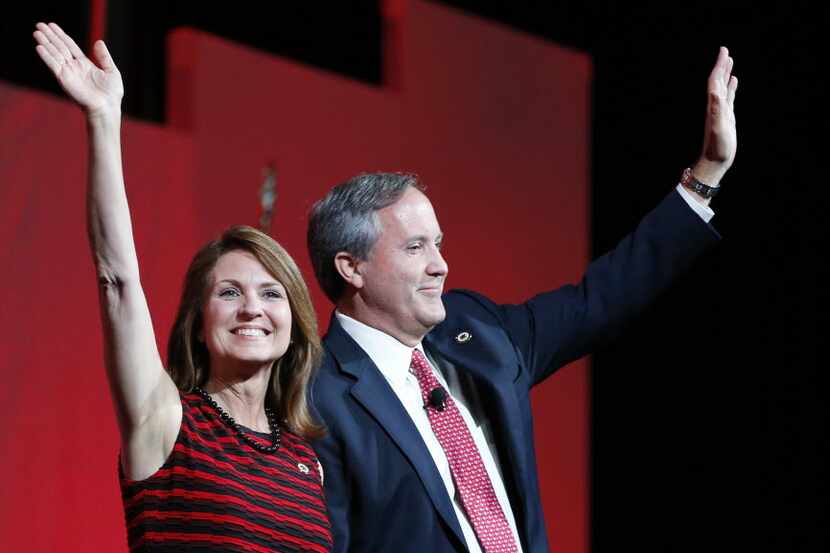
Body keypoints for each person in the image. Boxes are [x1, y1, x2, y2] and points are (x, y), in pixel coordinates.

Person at [307, 47, 738, 552]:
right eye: (414, 247)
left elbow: (598, 301)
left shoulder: (477, 333)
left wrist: (706, 174)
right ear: (350, 267)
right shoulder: (314, 396)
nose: (439, 265)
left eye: (438, 244)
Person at [33, 23, 332, 552]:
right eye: (229, 293)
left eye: (271, 293)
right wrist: (105, 121)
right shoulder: (166, 419)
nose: (251, 310)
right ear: (197, 322)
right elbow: (118, 281)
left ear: (296, 323)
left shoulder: (306, 463)